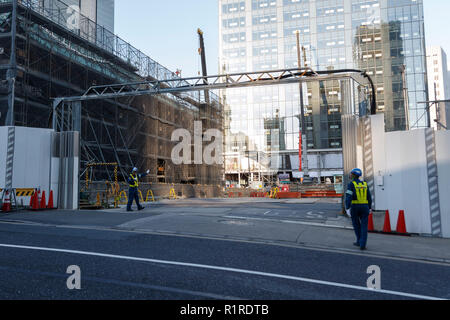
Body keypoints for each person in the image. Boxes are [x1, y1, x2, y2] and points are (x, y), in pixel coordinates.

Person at [345, 168, 372, 251]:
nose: (350, 175)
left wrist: (347, 207)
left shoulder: (351, 184)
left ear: (353, 175)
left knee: (356, 225)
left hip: (355, 207)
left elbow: (348, 197)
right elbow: (369, 197)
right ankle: (362, 243)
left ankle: (359, 241)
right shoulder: (364, 184)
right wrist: (370, 207)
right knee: (364, 226)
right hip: (365, 207)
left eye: (350, 173)